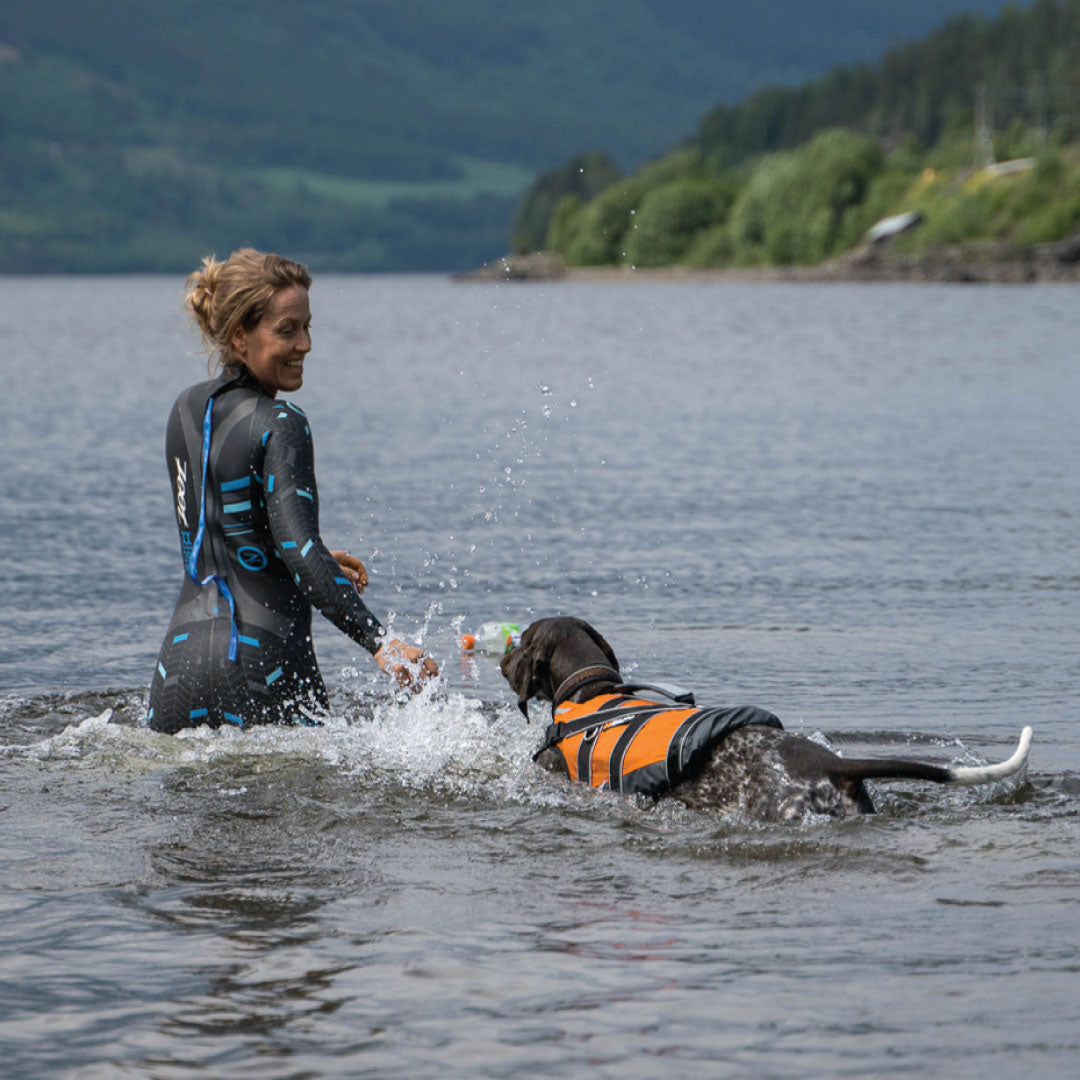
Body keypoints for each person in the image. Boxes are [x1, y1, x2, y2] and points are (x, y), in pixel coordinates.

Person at [148, 248, 436, 733]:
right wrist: (381, 643)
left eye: (307, 326)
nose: (305, 344)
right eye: (287, 330)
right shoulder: (282, 423)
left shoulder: (184, 410)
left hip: (179, 666)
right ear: (240, 337)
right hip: (265, 658)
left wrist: (307, 558)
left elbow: (214, 542)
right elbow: (299, 551)